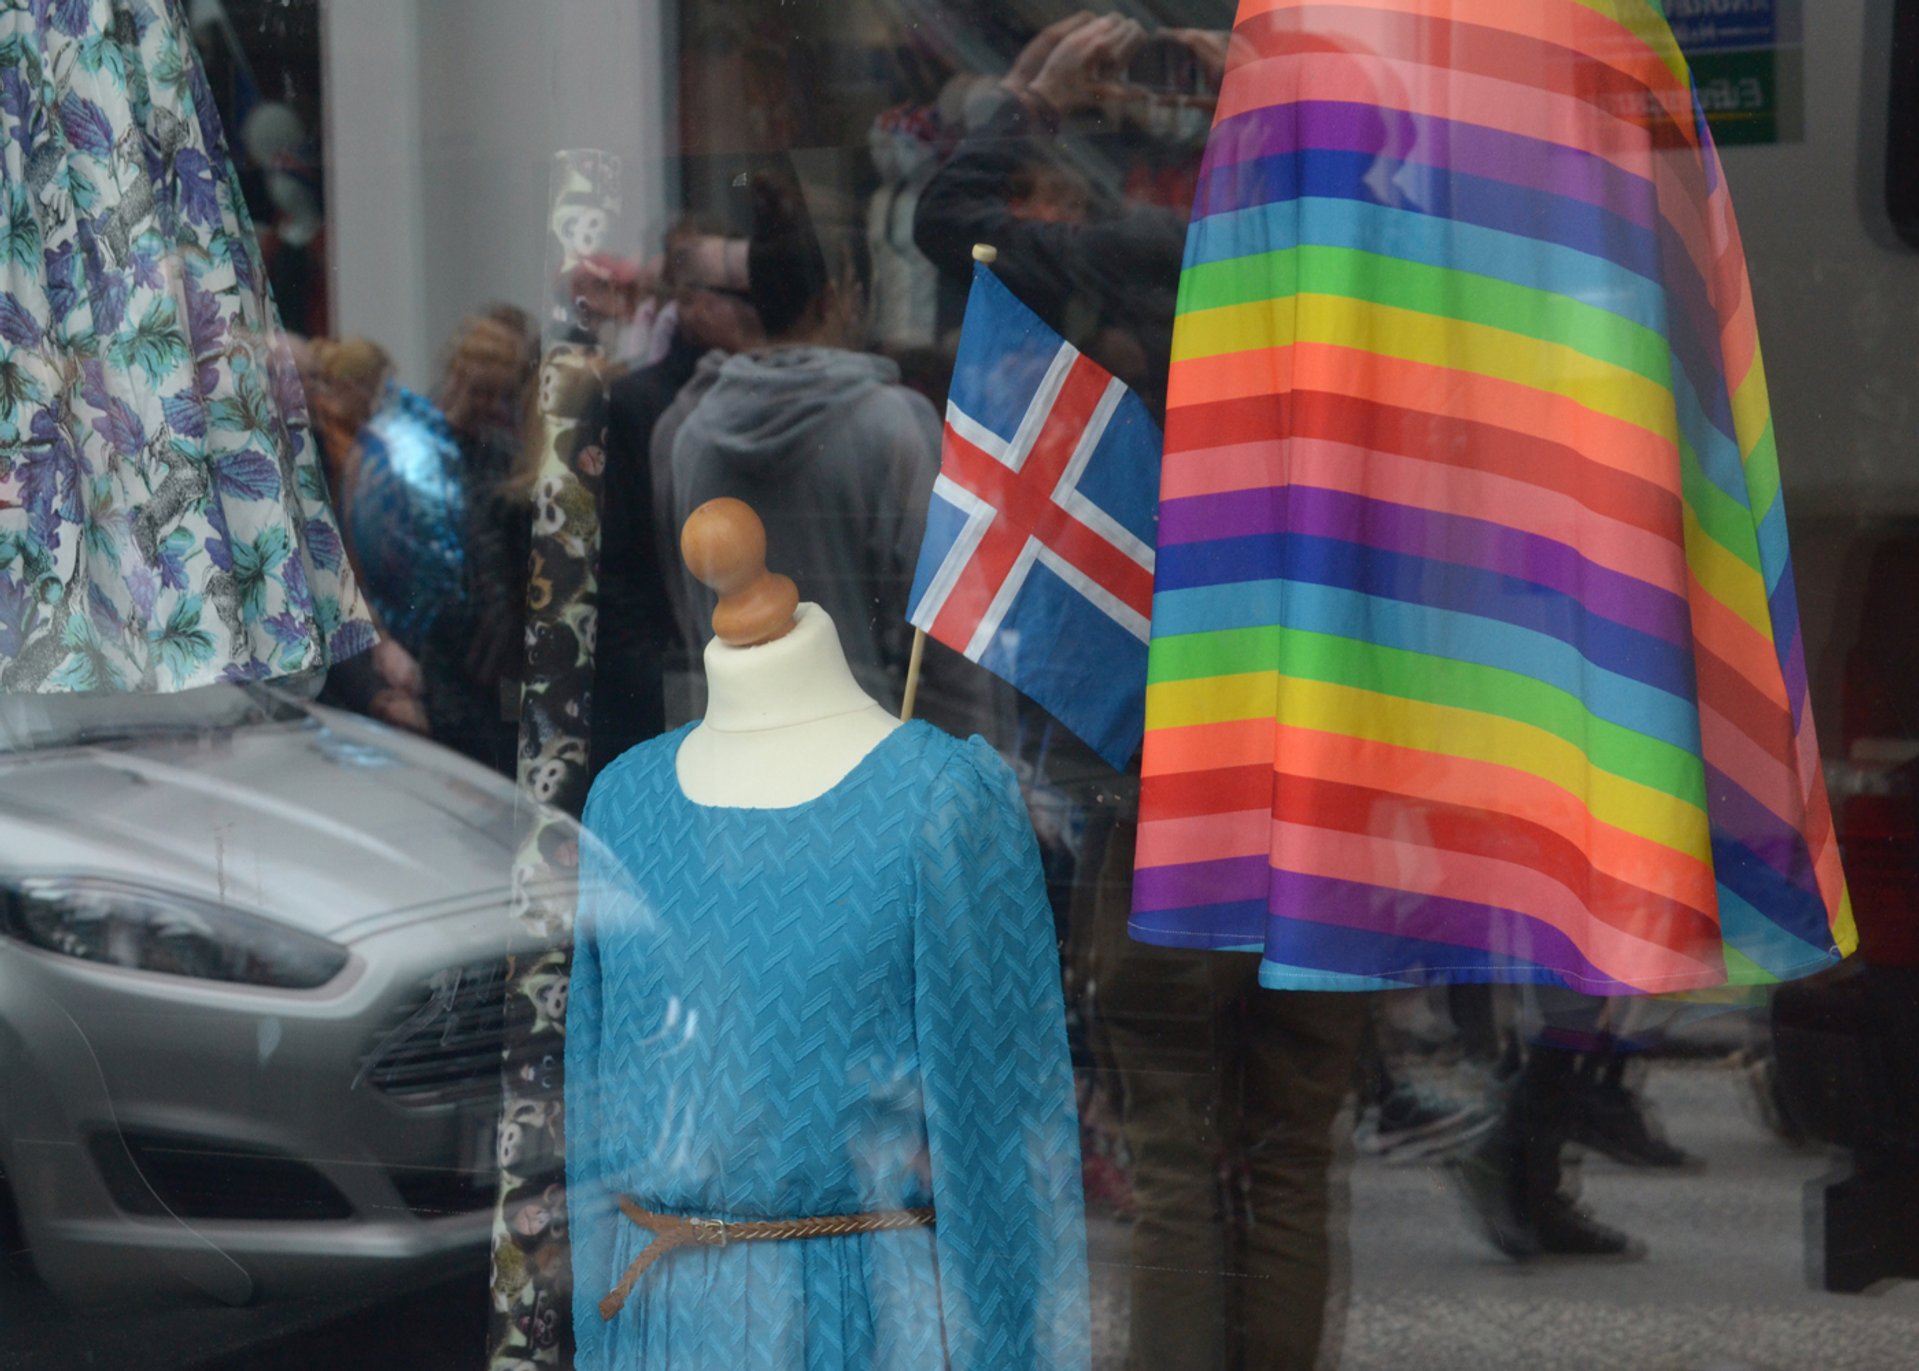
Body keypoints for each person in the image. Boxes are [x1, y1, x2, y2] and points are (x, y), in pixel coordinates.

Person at [664, 171, 941, 717]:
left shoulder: (687, 435)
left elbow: (691, 616)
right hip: (875, 743)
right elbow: (941, 628)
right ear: (839, 300)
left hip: (736, 733)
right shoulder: (892, 423)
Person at [590, 223, 762, 776]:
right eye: (745, 297)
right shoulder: (640, 406)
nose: (761, 312)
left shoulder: (762, 397)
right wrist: (661, 691)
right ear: (695, 304)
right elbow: (618, 573)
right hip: (683, 693)